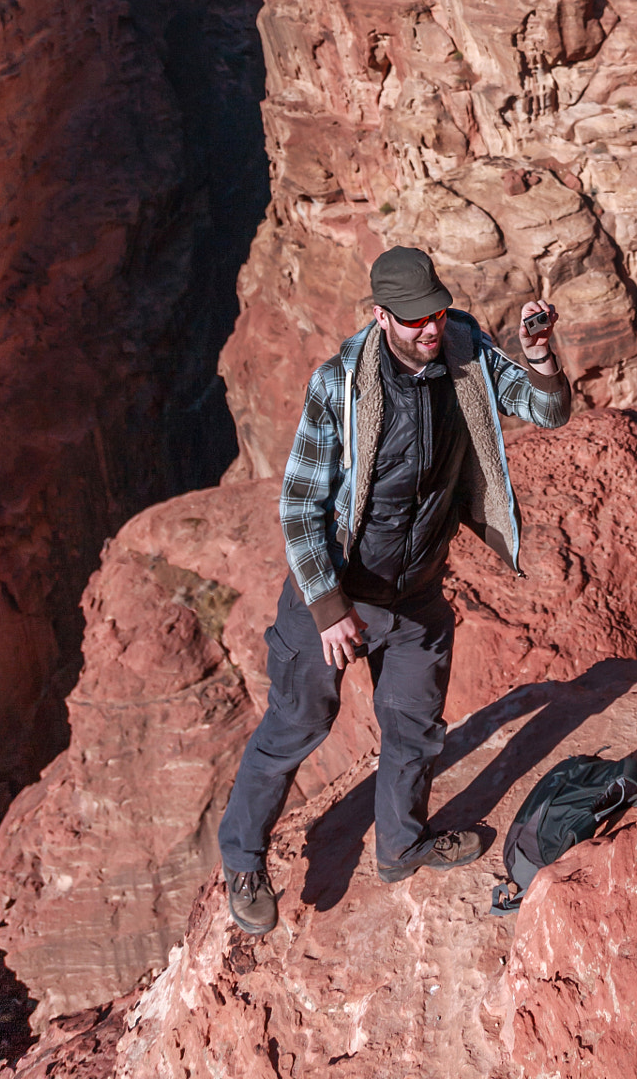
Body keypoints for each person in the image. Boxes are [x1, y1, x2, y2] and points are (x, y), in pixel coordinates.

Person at [217, 245, 571, 933]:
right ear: (381, 317)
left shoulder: (465, 351)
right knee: (297, 727)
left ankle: (402, 845)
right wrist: (327, 609)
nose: (428, 329)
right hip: (338, 592)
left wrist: (539, 352)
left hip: (414, 595)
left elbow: (547, 412)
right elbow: (299, 506)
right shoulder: (340, 384)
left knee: (413, 728)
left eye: (435, 313)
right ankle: (242, 861)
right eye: (412, 320)